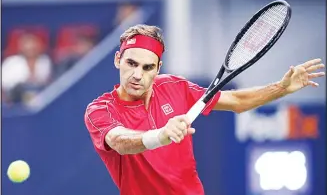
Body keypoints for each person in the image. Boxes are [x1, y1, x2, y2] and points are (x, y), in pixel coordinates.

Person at [84, 24, 325, 195]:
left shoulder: (175, 87)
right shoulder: (100, 110)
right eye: (131, 63)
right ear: (118, 60)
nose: (137, 75)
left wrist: (281, 88)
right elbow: (119, 141)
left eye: (147, 67)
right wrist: (161, 135)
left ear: (158, 68)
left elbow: (237, 101)